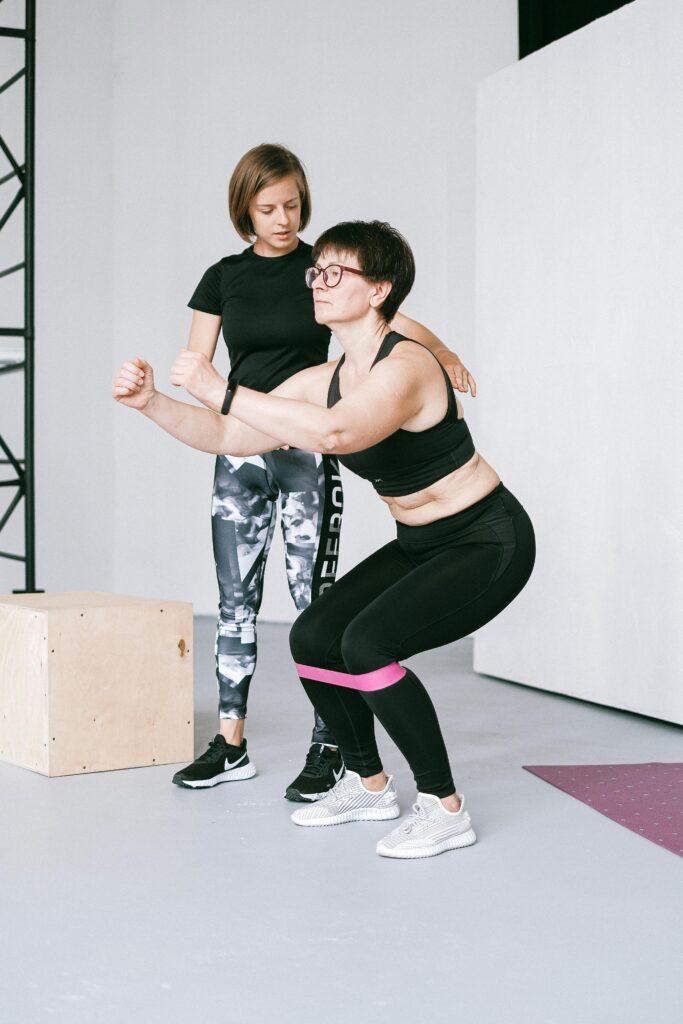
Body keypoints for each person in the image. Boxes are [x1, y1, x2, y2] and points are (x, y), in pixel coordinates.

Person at [113, 219, 534, 859]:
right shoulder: (326, 376)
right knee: (313, 637)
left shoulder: (408, 365)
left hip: (486, 541)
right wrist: (153, 404)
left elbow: (338, 435)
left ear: (379, 289)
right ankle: (369, 786)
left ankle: (445, 807)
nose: (319, 282)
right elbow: (231, 437)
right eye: (318, 271)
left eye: (337, 272)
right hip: (421, 542)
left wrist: (223, 387)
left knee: (367, 644)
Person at [172, 144, 476, 801]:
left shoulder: (322, 270)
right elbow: (199, 364)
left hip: (309, 452)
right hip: (242, 457)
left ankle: (330, 747)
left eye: (292, 206)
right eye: (268, 208)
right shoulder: (221, 277)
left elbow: (387, 319)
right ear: (244, 210)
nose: (283, 219)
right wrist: (216, 412)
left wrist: (443, 351)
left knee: (316, 607)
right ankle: (229, 743)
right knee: (234, 602)